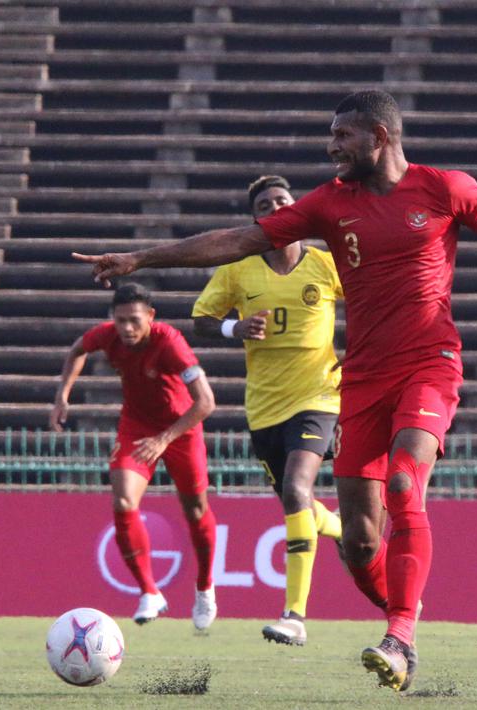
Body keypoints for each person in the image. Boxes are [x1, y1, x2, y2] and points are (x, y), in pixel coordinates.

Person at [73, 89, 477, 691]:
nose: (331, 146)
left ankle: (399, 636)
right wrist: (141, 258)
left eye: (342, 136)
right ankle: (402, 616)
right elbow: (240, 240)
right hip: (361, 380)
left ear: (380, 137)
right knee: (360, 543)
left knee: (402, 480)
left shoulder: (443, 188)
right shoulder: (329, 205)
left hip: (430, 364)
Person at [191, 174, 345, 647]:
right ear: (257, 219)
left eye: (283, 199)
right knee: (297, 503)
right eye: (265, 203)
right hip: (264, 408)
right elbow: (201, 321)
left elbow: (367, 303)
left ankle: (294, 615)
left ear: (296, 207)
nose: (275, 205)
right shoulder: (239, 269)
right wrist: (233, 329)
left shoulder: (325, 264)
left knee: (299, 487)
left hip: (319, 396)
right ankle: (344, 528)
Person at [50, 283, 221, 631]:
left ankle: (204, 588)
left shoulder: (170, 342)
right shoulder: (107, 335)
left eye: (134, 320)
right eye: (121, 320)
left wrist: (165, 439)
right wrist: (62, 395)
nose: (127, 328)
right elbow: (77, 350)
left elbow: (206, 401)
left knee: (196, 510)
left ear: (151, 317)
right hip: (137, 426)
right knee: (124, 499)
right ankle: (150, 591)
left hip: (181, 429)